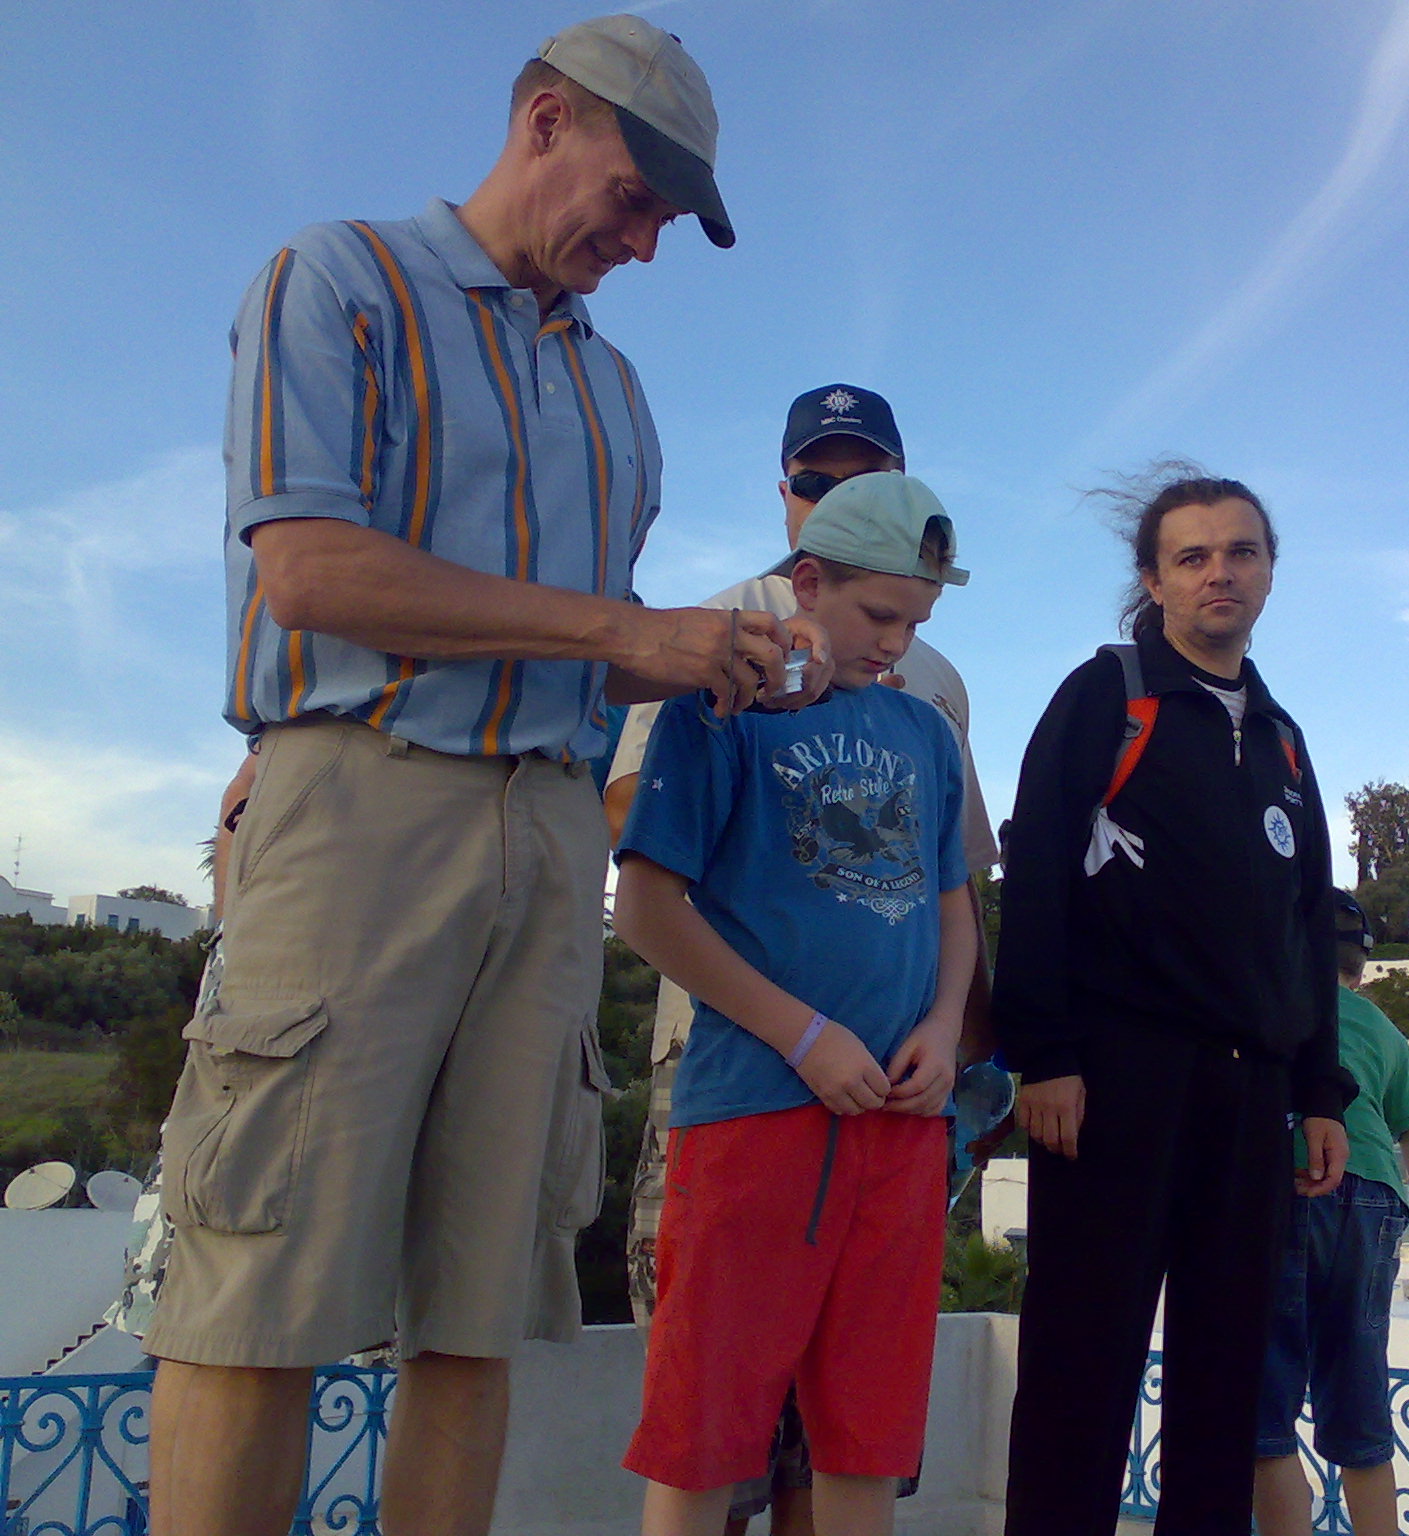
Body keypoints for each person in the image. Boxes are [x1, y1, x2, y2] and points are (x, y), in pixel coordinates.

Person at [142, 20, 815, 1536]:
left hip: (552, 839)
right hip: (359, 811)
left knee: (479, 1311)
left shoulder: (619, 396)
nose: (642, 245)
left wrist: (701, 656)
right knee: (258, 1292)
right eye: (635, 199)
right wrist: (624, 630)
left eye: (664, 222)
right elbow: (311, 571)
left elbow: (585, 646)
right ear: (544, 119)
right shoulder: (338, 279)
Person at [604, 382, 1000, 1535]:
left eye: (915, 621)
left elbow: (954, 904)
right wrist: (805, 1034)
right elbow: (646, 904)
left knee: (862, 1439)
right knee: (704, 1436)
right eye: (879, 616)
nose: (896, 643)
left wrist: (944, 1030)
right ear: (809, 578)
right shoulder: (715, 694)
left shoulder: (927, 723)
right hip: (751, 1107)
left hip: (899, 1124)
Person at [993, 468, 1357, 1536]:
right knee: (1080, 1365)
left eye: (1240, 552)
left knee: (1226, 1383)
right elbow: (1038, 870)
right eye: (1191, 557)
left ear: (1270, 571)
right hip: (1112, 1083)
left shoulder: (1283, 738)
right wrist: (1043, 1053)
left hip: (1249, 1096)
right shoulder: (1108, 697)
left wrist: (1319, 1092)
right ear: (1153, 581)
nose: (1218, 573)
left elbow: (1306, 925)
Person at [1251, 891, 1409, 1536]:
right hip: (1374, 1207)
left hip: (1291, 1184)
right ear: (1359, 970)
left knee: (1264, 1421)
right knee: (1361, 1417)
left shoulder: (1273, 1004)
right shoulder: (1388, 1036)